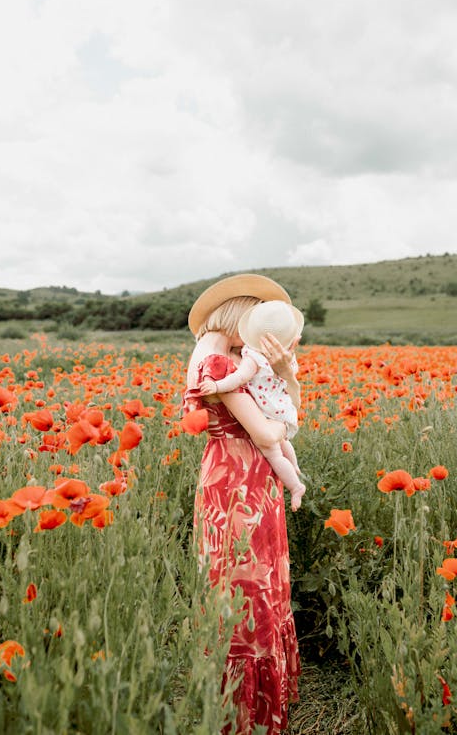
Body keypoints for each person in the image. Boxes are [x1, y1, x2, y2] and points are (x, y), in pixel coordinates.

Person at [183, 274, 301, 735]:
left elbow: (288, 414)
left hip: (248, 477)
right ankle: (242, 709)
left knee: (249, 579)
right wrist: (280, 431)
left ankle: (251, 695)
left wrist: (287, 375)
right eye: (257, 318)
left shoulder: (230, 358)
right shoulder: (215, 363)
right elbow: (270, 431)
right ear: (239, 315)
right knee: (244, 583)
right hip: (237, 485)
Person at [198, 300, 306, 511]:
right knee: (283, 445)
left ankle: (295, 483)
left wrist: (216, 386)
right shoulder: (282, 358)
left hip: (244, 465)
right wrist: (285, 425)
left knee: (276, 451)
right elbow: (294, 405)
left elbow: (238, 379)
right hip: (241, 465)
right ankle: (294, 470)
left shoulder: (249, 357)